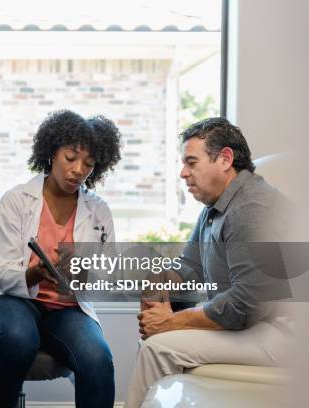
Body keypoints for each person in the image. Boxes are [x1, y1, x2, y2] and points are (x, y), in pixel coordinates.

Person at [0, 110, 122, 408]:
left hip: (67, 309)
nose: (78, 170)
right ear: (51, 152)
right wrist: (36, 273)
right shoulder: (16, 201)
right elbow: (4, 273)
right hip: (13, 300)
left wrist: (83, 273)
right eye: (71, 158)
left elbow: (107, 277)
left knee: (97, 357)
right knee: (18, 337)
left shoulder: (99, 211)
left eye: (89, 164)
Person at [126, 117, 294, 407]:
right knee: (155, 339)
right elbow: (189, 267)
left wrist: (172, 321)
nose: (182, 173)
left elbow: (248, 304)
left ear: (225, 159)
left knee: (157, 348)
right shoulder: (214, 208)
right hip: (257, 324)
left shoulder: (251, 209)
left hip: (284, 333)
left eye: (192, 163)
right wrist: (158, 285)